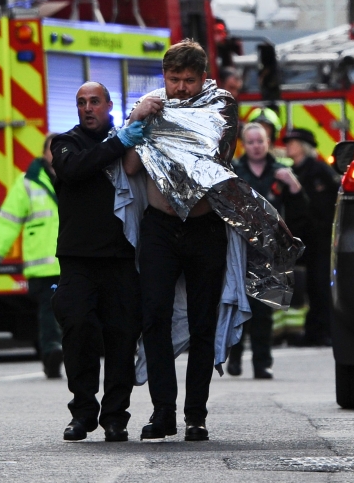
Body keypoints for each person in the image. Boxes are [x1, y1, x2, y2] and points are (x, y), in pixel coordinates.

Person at [123, 40, 235, 442]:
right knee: (154, 317)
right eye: (174, 80)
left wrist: (172, 129)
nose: (182, 88)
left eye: (190, 80)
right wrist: (137, 118)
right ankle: (162, 412)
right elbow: (132, 165)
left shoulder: (220, 107)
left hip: (204, 228)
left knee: (203, 323)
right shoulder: (150, 107)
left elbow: (215, 158)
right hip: (160, 228)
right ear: (164, 78)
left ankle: (196, 415)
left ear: (203, 77)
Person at [49, 82, 146, 442]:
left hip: (121, 258)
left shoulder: (127, 140)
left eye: (94, 102)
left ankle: (115, 417)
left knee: (122, 339)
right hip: (78, 260)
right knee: (77, 331)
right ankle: (83, 412)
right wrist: (119, 145)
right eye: (81, 103)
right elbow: (74, 170)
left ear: (108, 105)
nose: (88, 108)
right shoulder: (65, 143)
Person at [229, 122, 309, 378]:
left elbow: (302, 211)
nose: (256, 146)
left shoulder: (279, 171)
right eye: (251, 142)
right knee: (237, 307)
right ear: (244, 144)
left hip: (268, 250)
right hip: (240, 249)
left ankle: (262, 362)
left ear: (268, 143)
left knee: (263, 310)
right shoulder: (234, 170)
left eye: (260, 141)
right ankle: (235, 356)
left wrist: (294, 185)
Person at [0, 133, 63, 378]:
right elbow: (8, 220)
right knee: (50, 313)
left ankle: (66, 352)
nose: (56, 153)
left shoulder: (77, 174)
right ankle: (51, 353)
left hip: (72, 261)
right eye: (52, 149)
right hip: (44, 265)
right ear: (43, 154)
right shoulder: (28, 183)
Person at [282, 128, 341, 346]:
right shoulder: (289, 173)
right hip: (299, 239)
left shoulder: (319, 171)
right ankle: (311, 331)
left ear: (303, 147)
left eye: (293, 142)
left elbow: (335, 199)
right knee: (306, 288)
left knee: (320, 286)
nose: (288, 146)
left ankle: (323, 331)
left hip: (321, 239)